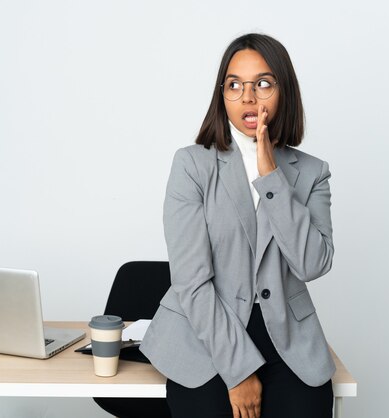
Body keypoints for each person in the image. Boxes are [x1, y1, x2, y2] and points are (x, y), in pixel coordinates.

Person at [140, 33, 336, 418]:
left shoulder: (313, 173)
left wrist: (271, 177)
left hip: (289, 343)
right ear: (222, 94)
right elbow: (191, 280)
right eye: (234, 85)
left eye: (263, 83)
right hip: (205, 337)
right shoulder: (191, 165)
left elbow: (312, 263)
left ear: (285, 92)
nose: (248, 97)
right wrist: (240, 372)